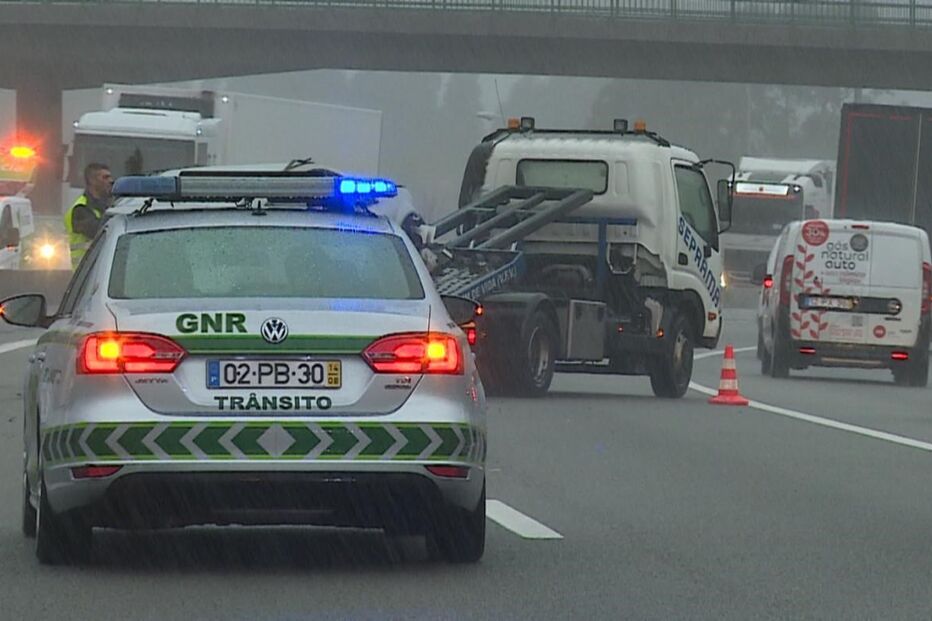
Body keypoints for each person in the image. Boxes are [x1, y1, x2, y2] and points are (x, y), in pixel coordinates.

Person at [65, 163, 113, 268]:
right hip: (85, 274)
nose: (111, 181)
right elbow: (98, 231)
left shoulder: (105, 206)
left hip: (99, 269)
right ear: (92, 181)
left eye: (110, 177)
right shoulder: (80, 209)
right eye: (105, 177)